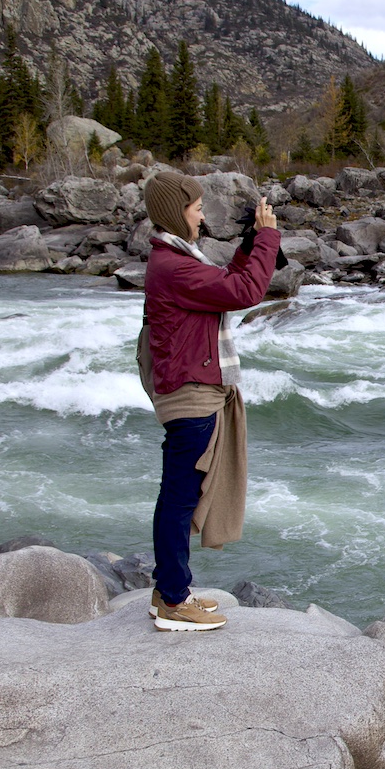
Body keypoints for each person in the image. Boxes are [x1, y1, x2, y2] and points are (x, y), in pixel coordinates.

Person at [136, 170, 279, 631]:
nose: (201, 217)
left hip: (189, 388)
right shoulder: (174, 266)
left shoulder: (175, 258)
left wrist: (251, 242)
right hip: (191, 395)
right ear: (176, 212)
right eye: (196, 209)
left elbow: (227, 281)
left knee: (177, 497)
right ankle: (174, 601)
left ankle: (168, 590)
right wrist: (269, 238)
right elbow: (245, 291)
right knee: (180, 499)